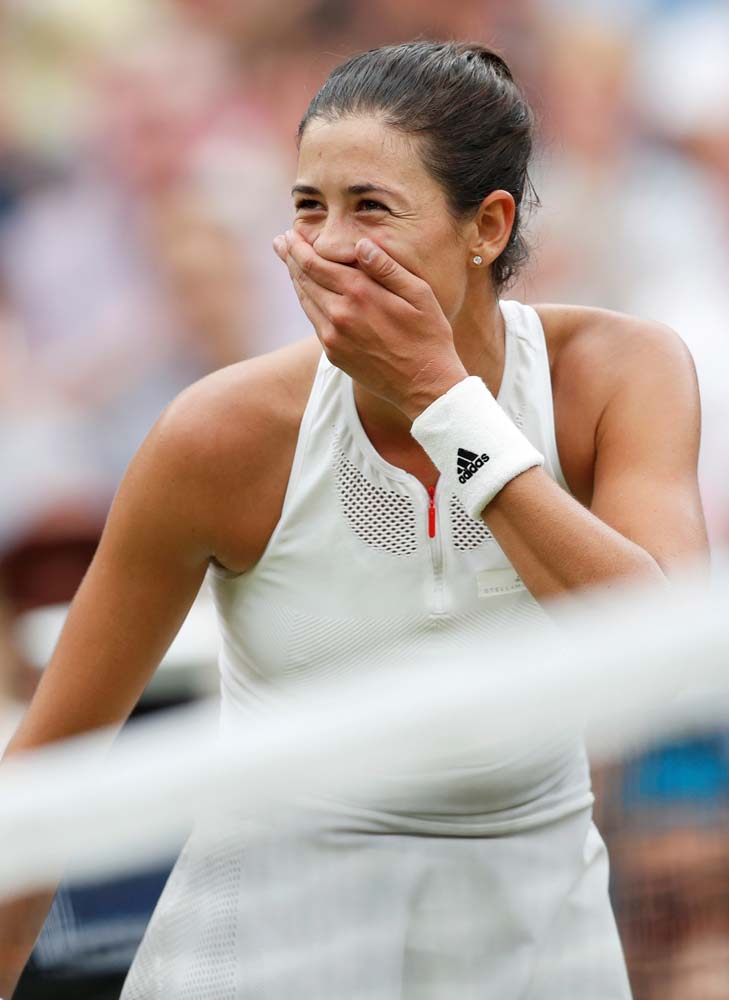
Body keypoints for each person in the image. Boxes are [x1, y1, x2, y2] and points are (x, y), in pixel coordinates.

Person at [1, 41, 708, 999]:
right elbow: (46, 783)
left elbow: (661, 660)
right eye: (306, 207)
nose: (327, 246)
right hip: (263, 950)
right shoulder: (216, 435)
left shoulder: (622, 373)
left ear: (486, 227)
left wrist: (441, 403)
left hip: (539, 942)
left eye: (370, 207)